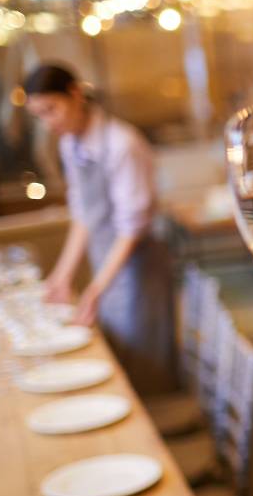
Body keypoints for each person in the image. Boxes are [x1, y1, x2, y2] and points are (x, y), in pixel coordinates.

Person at [25, 64, 177, 395]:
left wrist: (94, 289)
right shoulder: (70, 144)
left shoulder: (122, 143)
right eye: (39, 115)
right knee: (116, 354)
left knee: (143, 360)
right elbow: (83, 215)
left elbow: (131, 228)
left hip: (137, 266)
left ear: (76, 94)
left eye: (52, 109)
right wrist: (62, 276)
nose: (48, 123)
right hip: (106, 262)